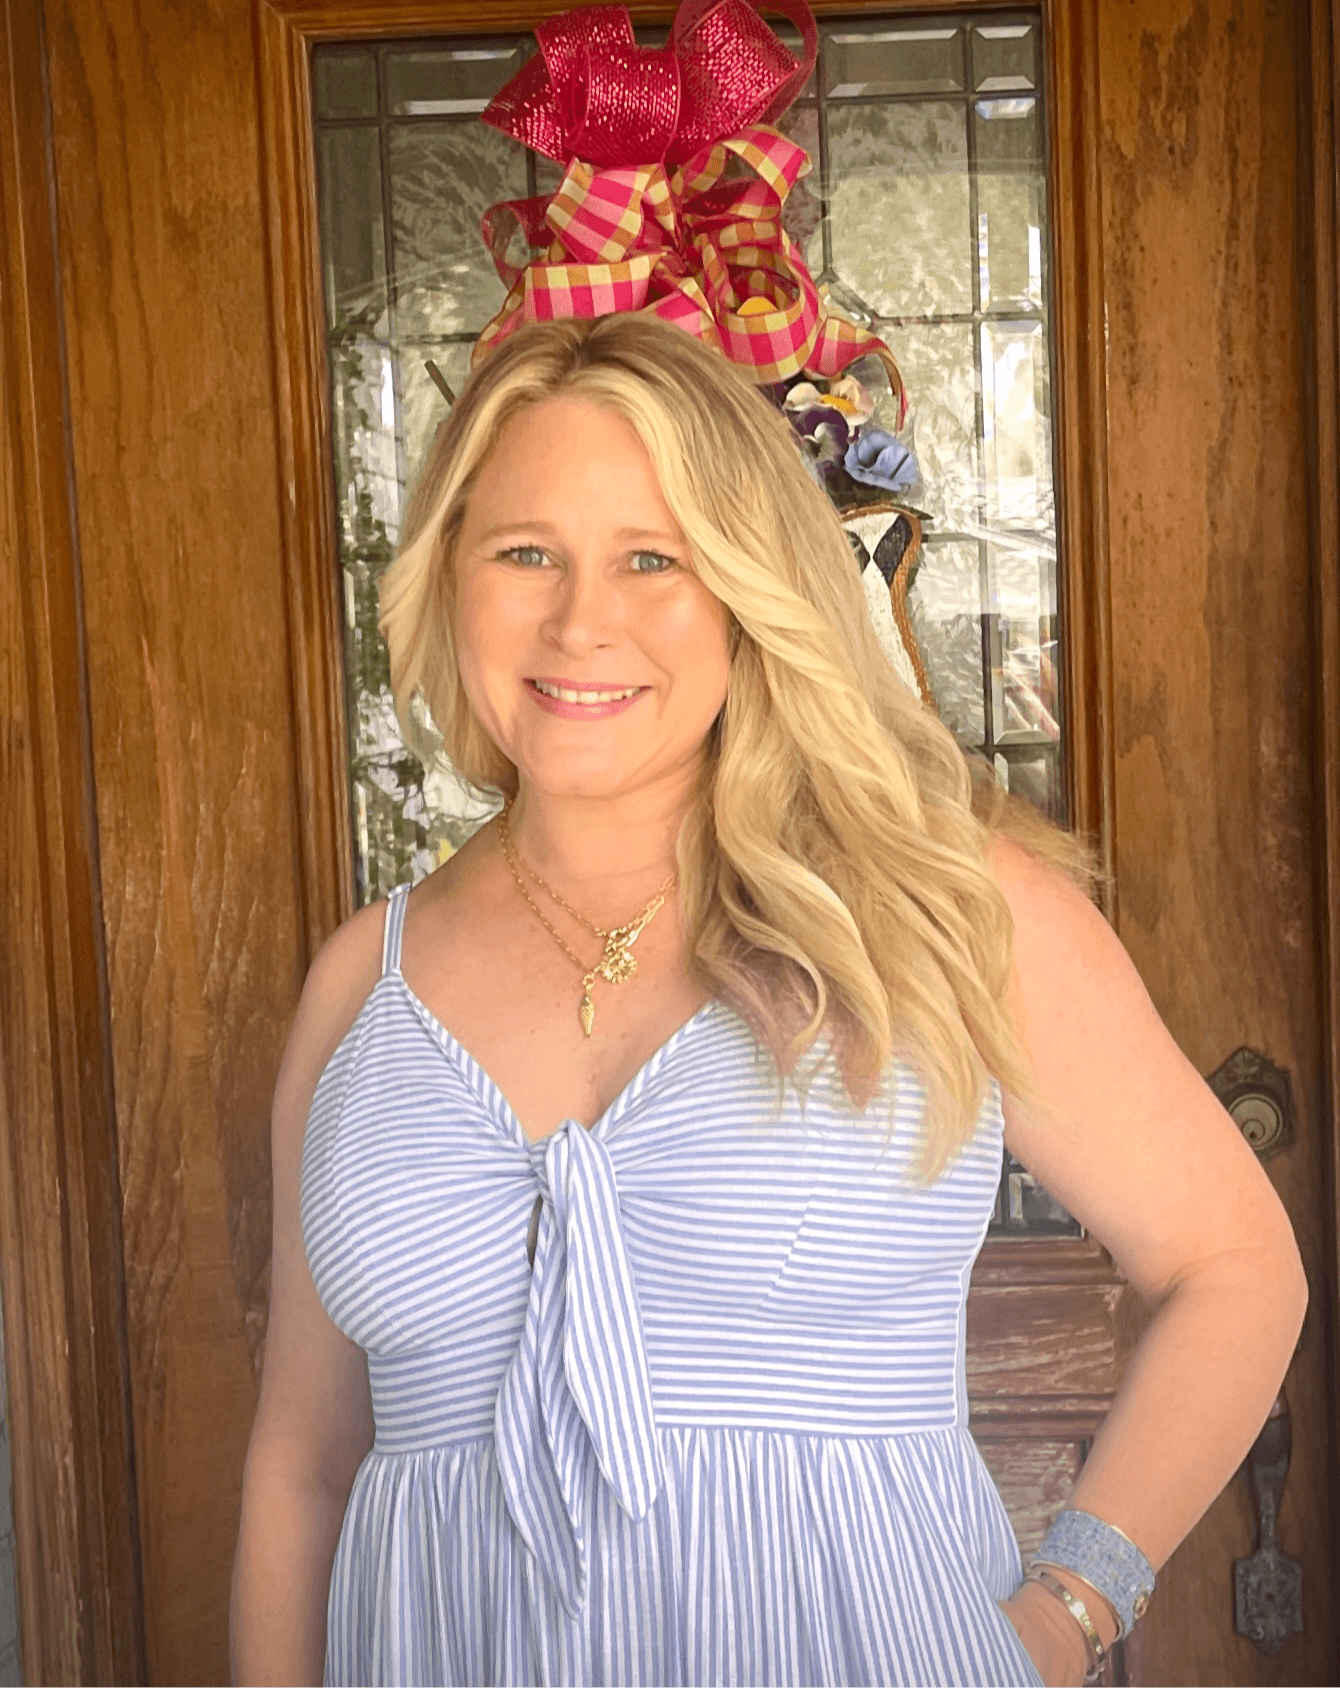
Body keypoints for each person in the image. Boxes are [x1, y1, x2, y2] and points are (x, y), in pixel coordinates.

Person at [230, 312, 1305, 1688]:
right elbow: (304, 1464)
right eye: (525, 553)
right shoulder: (358, 989)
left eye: (653, 559)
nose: (581, 621)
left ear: (749, 588)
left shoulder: (940, 906)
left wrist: (1062, 1615)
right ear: (448, 579)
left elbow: (1233, 1266)